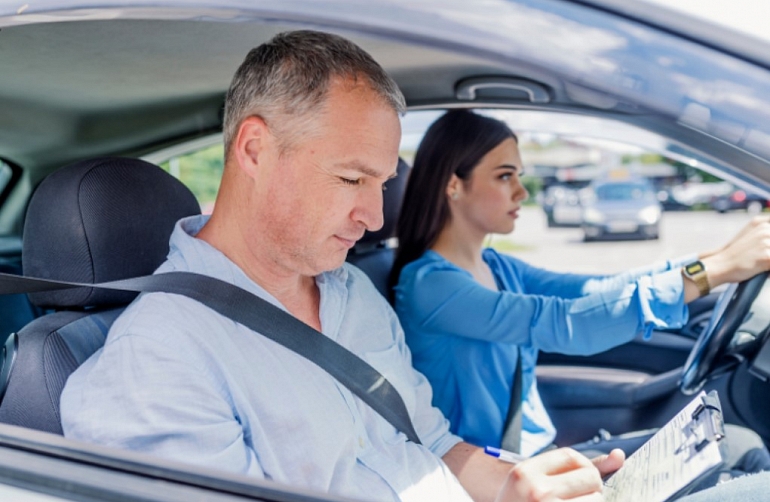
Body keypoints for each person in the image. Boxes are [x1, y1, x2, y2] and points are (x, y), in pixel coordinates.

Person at [59, 30, 769, 502]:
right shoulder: (155, 363)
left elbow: (427, 443)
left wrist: (508, 486)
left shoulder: (349, 296)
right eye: (350, 181)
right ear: (252, 150)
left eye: (382, 183)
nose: (375, 217)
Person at [390, 110, 770, 475]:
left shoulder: (498, 266)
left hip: (537, 460)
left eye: (519, 176)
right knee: (736, 448)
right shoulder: (430, 284)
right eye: (505, 176)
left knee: (733, 445)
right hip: (496, 478)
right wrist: (715, 271)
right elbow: (566, 324)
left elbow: (598, 289)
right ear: (454, 185)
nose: (522, 192)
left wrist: (716, 259)